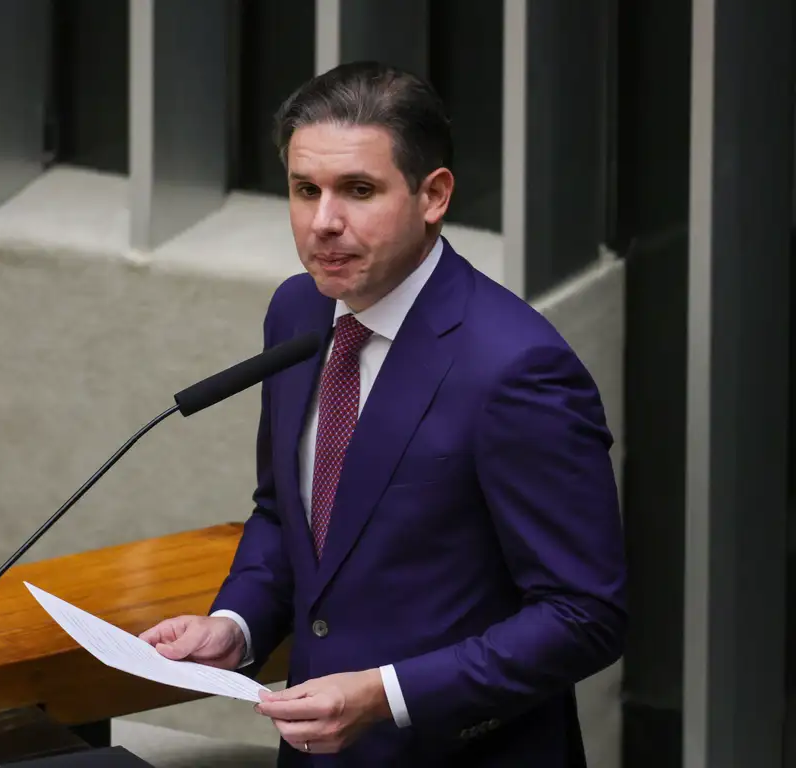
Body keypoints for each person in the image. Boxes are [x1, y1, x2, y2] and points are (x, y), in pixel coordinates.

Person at [140, 61, 627, 767]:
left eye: (359, 191)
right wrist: (236, 624)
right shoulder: (298, 310)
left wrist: (387, 696)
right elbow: (287, 515)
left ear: (434, 195)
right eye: (305, 190)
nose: (324, 222)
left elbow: (585, 617)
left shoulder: (517, 368)